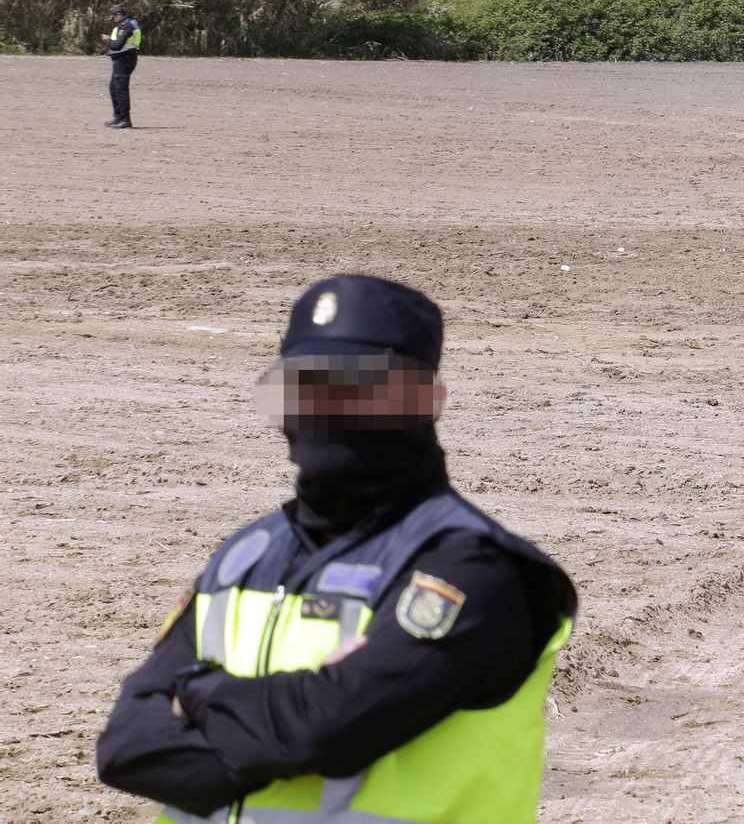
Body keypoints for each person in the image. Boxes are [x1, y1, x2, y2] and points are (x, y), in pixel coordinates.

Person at [96, 274, 578, 823]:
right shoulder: (245, 555)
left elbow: (327, 731)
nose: (323, 408)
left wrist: (198, 693)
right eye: (302, 386)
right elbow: (125, 748)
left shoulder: (471, 568)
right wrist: (286, 722)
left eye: (357, 388)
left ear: (429, 401)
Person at [101, 5, 141, 129]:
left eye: (113, 17)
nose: (113, 20)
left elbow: (117, 45)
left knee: (121, 89)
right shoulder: (130, 23)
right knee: (114, 88)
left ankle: (125, 120)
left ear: (119, 15)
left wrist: (107, 40)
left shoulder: (126, 25)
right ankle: (118, 117)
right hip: (122, 59)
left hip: (125, 59)